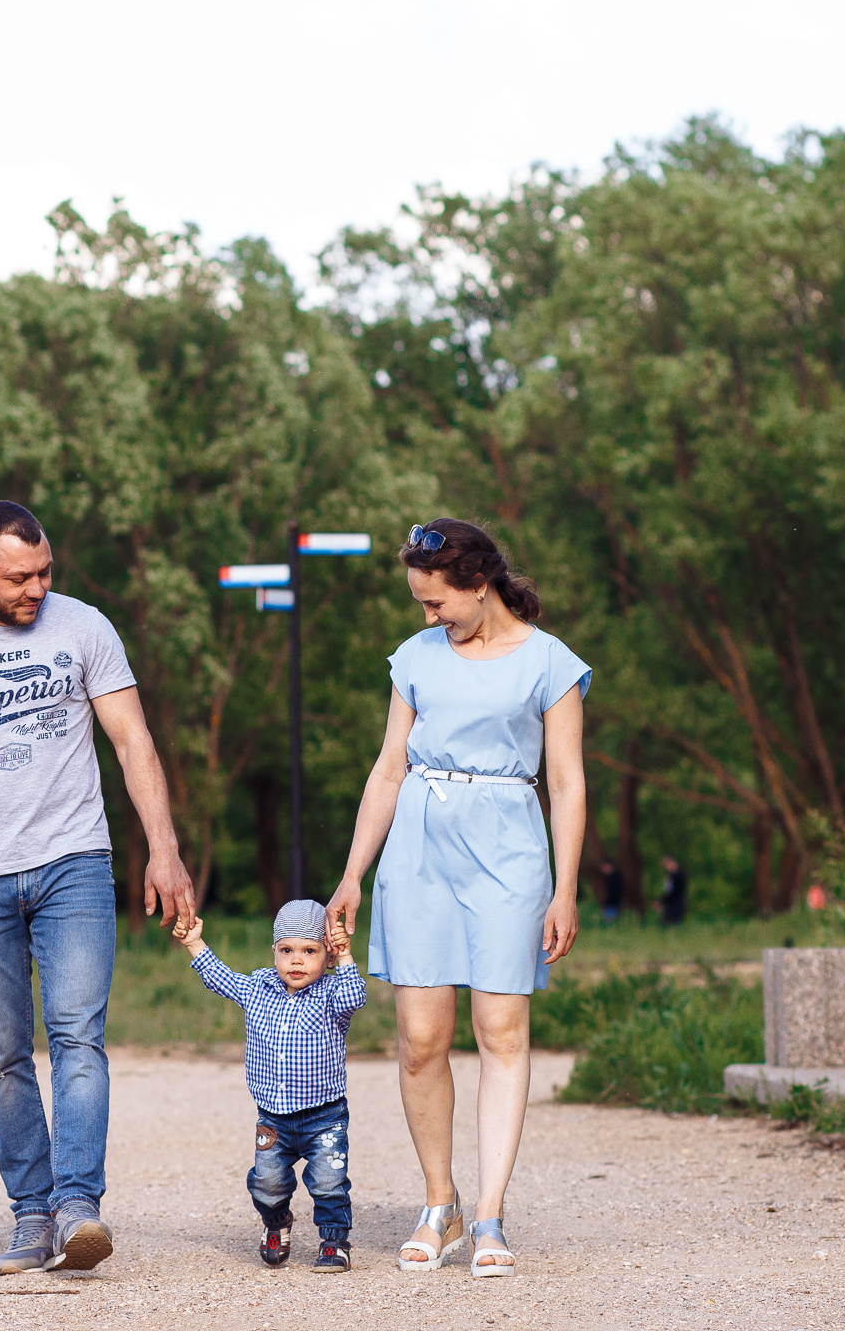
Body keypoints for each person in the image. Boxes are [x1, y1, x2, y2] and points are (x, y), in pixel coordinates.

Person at [0, 500, 197, 1276]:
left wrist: (164, 850)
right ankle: (30, 1214)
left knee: (78, 1037)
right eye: (18, 577)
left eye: (45, 571)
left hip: (74, 864)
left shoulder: (84, 627)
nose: (36, 589)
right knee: (2, 1055)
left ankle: (78, 1208)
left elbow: (133, 743)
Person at [324, 518, 589, 1279]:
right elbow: (387, 770)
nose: (427, 616)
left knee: (500, 1027)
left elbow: (567, 784)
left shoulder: (550, 663)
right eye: (419, 602)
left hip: (509, 848)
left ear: (480, 585)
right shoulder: (415, 657)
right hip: (418, 851)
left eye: (436, 602)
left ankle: (490, 1216)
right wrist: (352, 875)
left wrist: (565, 887)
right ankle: (440, 1203)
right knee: (419, 1038)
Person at [176, 899, 366, 1273]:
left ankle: (334, 1241)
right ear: (275, 952)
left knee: (329, 1181)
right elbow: (221, 979)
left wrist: (345, 956)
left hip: (323, 1116)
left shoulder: (331, 995)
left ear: (326, 957)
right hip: (273, 1118)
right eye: (287, 950)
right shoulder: (259, 988)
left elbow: (354, 996)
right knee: (267, 1182)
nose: (297, 961)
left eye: (310, 951)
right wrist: (194, 943)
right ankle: (276, 1222)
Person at [658, 853, 689, 927]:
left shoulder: (678, 876)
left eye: (666, 863)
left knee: (668, 926)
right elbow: (668, 891)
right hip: (672, 904)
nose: (665, 866)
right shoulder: (671, 875)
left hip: (676, 904)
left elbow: (675, 892)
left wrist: (663, 903)